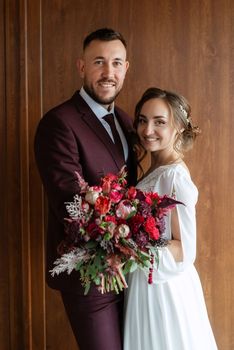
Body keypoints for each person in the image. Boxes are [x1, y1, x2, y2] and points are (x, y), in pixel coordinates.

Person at [34, 28, 137, 350]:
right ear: (81, 66)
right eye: (99, 62)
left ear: (125, 68)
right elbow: (69, 200)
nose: (109, 72)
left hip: (130, 272)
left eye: (116, 63)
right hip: (90, 275)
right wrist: (111, 251)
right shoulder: (59, 122)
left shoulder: (125, 120)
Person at [124, 87, 218, 350]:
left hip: (162, 289)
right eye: (143, 120)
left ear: (178, 127)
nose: (147, 129)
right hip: (145, 282)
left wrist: (129, 251)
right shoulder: (157, 168)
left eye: (159, 122)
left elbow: (183, 249)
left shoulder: (174, 177)